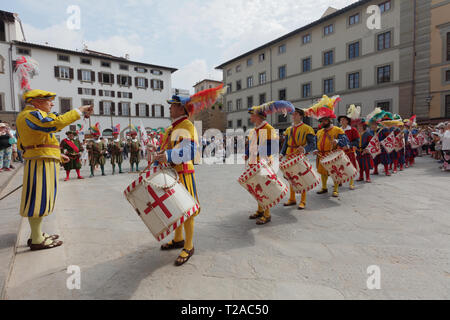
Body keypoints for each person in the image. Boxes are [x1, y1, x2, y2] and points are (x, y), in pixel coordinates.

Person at [16, 89, 92, 250]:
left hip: (42, 158)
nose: (51, 103)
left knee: (43, 198)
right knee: (38, 200)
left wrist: (57, 154)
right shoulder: (30, 114)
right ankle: (36, 239)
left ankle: (36, 234)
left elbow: (42, 140)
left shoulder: (31, 114)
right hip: (40, 161)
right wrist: (79, 110)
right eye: (48, 100)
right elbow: (53, 124)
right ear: (36, 102)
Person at [156, 95, 201, 266]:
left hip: (184, 173)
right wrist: (157, 158)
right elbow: (165, 150)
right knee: (175, 208)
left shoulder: (188, 126)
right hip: (172, 173)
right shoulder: (171, 128)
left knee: (187, 209)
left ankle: (189, 246)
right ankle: (178, 239)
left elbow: (191, 152)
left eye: (173, 105)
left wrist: (166, 155)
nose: (169, 108)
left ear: (181, 108)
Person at [304, 95, 349, 198]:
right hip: (321, 155)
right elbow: (315, 141)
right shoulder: (319, 132)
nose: (322, 122)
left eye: (324, 120)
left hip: (333, 154)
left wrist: (337, 141)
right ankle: (324, 187)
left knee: (334, 173)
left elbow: (345, 141)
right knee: (323, 172)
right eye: (321, 121)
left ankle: (336, 189)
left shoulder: (338, 130)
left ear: (329, 120)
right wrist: (315, 149)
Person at [245, 103, 281, 224]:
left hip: (264, 161)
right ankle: (260, 210)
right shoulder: (253, 130)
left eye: (252, 115)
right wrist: (247, 153)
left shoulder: (269, 129)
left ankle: (267, 214)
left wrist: (259, 151)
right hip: (253, 161)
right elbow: (250, 144)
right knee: (257, 186)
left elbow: (275, 147)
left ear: (259, 116)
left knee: (264, 187)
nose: (250, 117)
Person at [280, 107, 316, 210]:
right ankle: (292, 199)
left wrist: (304, 149)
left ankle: (303, 201)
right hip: (289, 155)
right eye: (293, 114)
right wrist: (281, 154)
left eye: (295, 114)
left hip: (299, 157)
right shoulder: (288, 129)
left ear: (300, 116)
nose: (293, 116)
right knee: (290, 177)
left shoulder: (307, 128)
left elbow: (312, 144)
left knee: (301, 178)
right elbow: (285, 144)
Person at [338, 111, 360, 190]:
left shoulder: (352, 130)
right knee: (339, 167)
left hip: (349, 152)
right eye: (341, 120)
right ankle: (339, 181)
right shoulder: (338, 130)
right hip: (340, 152)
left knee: (351, 167)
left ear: (347, 121)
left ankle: (351, 183)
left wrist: (348, 145)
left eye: (343, 119)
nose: (342, 121)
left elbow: (357, 141)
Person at [355, 119, 373, 183]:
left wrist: (366, 150)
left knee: (366, 165)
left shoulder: (368, 134)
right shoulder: (356, 134)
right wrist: (355, 147)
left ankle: (368, 177)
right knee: (360, 165)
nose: (359, 128)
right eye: (358, 126)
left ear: (364, 127)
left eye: (360, 126)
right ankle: (361, 176)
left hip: (365, 151)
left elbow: (371, 143)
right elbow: (354, 142)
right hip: (358, 151)